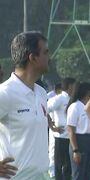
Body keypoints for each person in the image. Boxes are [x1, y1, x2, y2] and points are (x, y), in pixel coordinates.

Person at [0, 31, 50, 179]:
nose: (50, 58)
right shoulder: (5, 93)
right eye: (45, 53)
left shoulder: (41, 93)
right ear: (32, 58)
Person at [67, 82, 90, 180]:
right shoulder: (75, 106)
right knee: (78, 175)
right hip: (80, 141)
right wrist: (75, 150)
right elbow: (71, 129)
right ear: (87, 92)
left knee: (88, 174)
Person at [48, 77, 76, 180]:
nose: (75, 87)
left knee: (68, 164)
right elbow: (45, 110)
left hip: (71, 136)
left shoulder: (73, 99)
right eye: (74, 85)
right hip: (61, 136)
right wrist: (53, 127)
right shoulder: (58, 99)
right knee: (59, 164)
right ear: (69, 86)